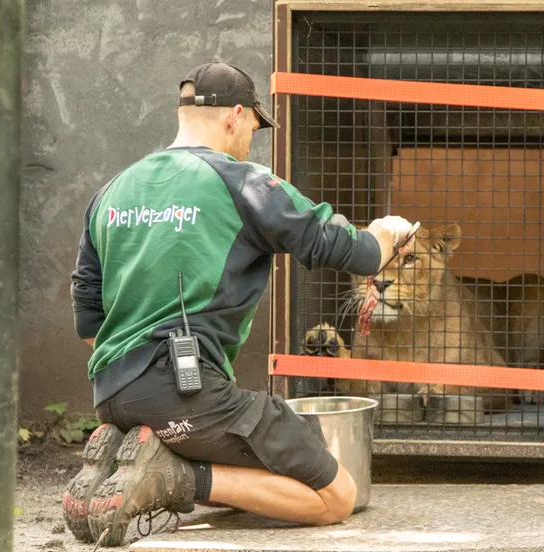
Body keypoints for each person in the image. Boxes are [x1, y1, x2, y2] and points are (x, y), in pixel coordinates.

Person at [62, 61, 413, 547]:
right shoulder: (242, 182)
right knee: (336, 496)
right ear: (234, 116)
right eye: (253, 125)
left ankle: (131, 452)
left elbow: (87, 318)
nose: (253, 138)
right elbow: (352, 251)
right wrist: (389, 234)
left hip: (112, 395)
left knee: (233, 455)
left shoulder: (112, 191)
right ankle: (175, 475)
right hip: (185, 395)